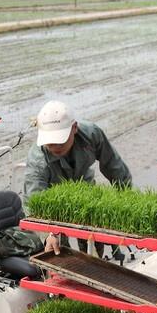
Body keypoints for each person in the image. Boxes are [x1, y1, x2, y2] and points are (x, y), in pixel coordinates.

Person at [24, 101, 133, 256]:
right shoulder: (38, 160)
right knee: (58, 247)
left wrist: (127, 199)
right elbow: (34, 201)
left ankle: (96, 261)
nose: (55, 147)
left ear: (74, 128)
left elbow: (114, 166)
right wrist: (49, 233)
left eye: (59, 141)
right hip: (53, 199)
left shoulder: (91, 134)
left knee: (93, 234)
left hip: (83, 186)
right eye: (50, 143)